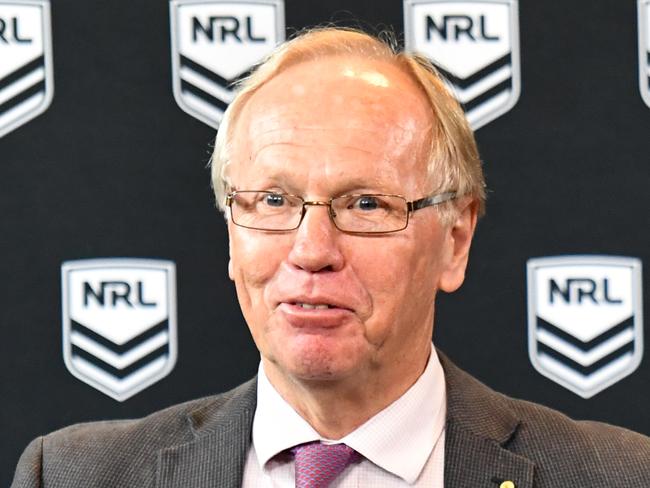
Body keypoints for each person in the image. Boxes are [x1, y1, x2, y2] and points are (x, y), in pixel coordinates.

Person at [11, 27, 650, 488]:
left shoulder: (616, 477)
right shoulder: (73, 476)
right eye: (272, 199)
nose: (312, 251)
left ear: (455, 240)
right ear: (232, 233)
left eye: (367, 205)